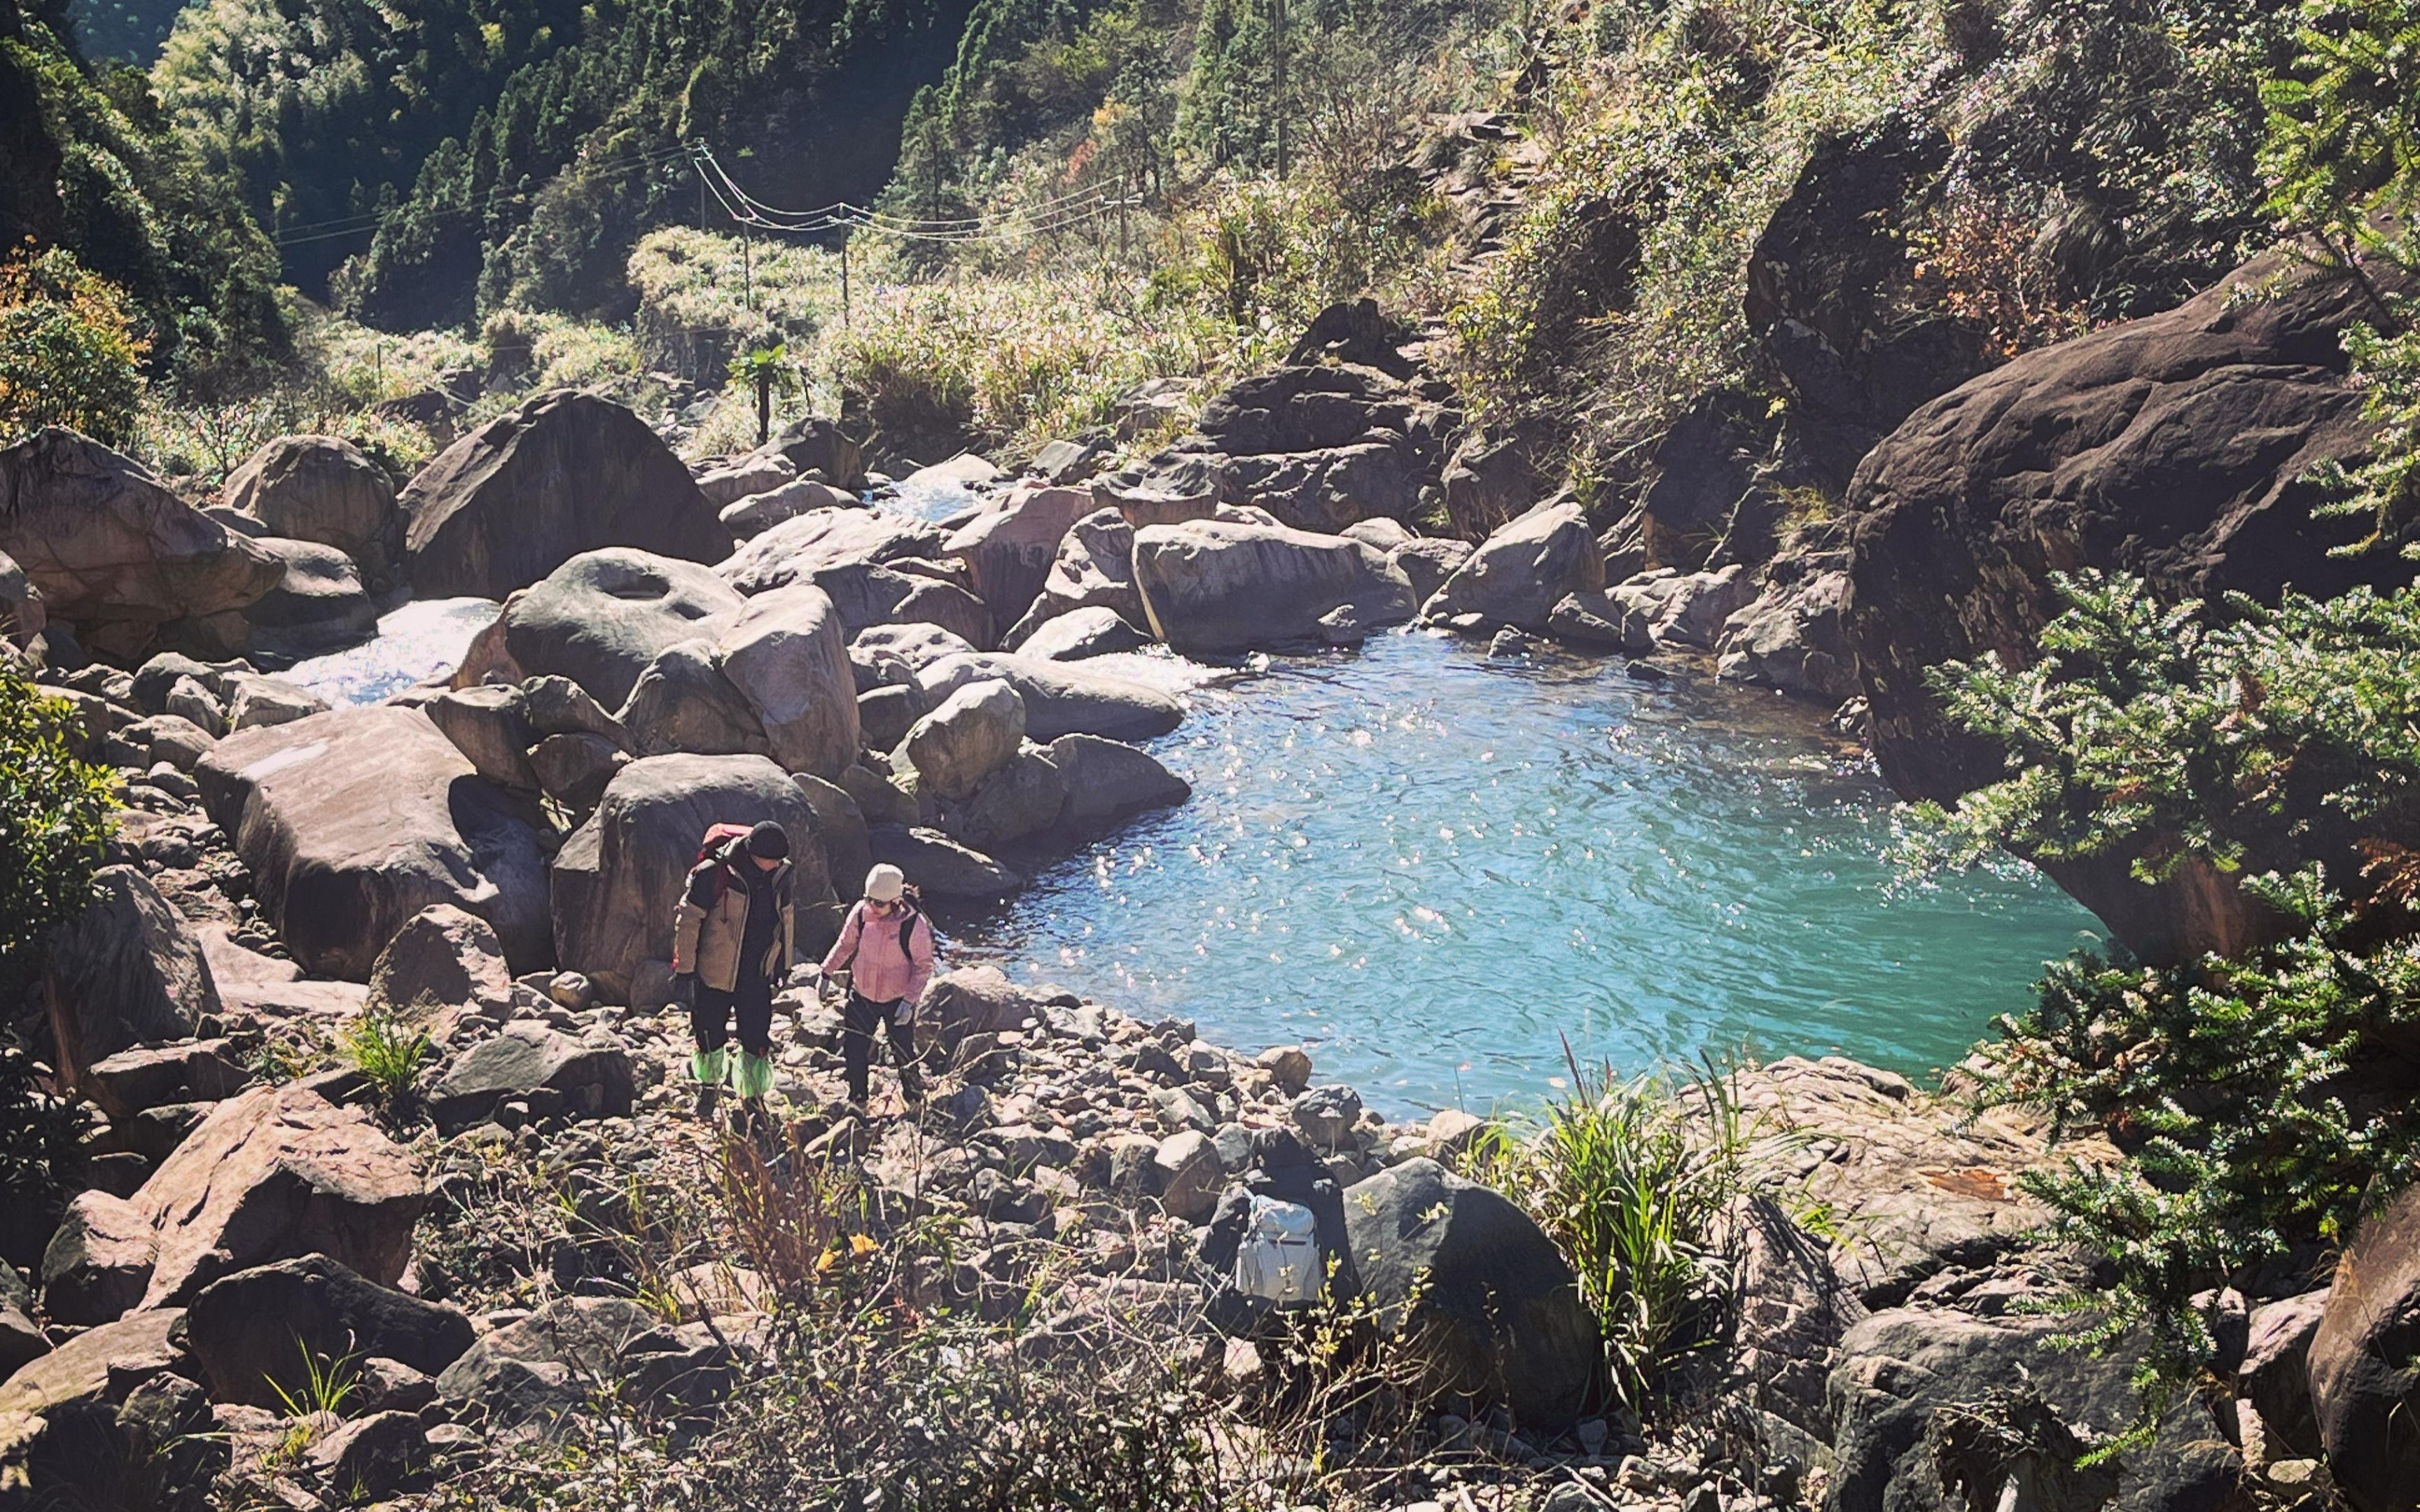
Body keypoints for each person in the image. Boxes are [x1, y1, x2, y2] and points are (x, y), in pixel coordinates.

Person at [670, 820, 797, 1121]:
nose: (777, 863)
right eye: (772, 859)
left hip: (756, 972)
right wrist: (685, 969)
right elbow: (688, 921)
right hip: (715, 971)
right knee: (709, 1032)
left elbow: (787, 919)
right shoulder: (714, 874)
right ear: (754, 853)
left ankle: (752, 1098)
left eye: (780, 859)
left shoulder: (780, 875)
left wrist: (784, 964)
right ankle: (709, 1088)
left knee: (756, 1036)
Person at [820, 863, 936, 1110]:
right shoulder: (861, 913)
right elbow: (845, 945)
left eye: (880, 903)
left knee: (902, 1050)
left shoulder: (914, 926)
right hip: (861, 994)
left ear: (896, 901)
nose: (873, 906)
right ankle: (858, 1099)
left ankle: (914, 1099)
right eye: (869, 899)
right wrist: (826, 972)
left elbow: (924, 966)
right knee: (854, 1049)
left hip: (897, 1000)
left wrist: (909, 1001)